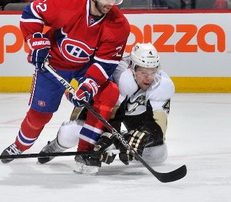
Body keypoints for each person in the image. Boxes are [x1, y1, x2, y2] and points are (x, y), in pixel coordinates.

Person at [0, 0, 130, 167]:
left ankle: (85, 151)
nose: (110, 2)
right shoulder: (66, 1)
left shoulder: (119, 24)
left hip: (85, 67)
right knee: (39, 115)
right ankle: (20, 145)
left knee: (109, 93)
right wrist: (36, 40)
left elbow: (106, 62)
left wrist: (89, 84)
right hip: (54, 63)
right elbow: (31, 13)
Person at [37, 43, 175, 175]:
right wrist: (109, 138)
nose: (149, 78)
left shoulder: (162, 84)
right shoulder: (118, 75)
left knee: (158, 154)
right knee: (71, 133)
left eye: (153, 71)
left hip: (134, 112)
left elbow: (160, 127)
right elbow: (111, 112)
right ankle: (57, 145)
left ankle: (123, 146)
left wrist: (145, 135)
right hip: (105, 110)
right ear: (133, 68)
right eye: (144, 72)